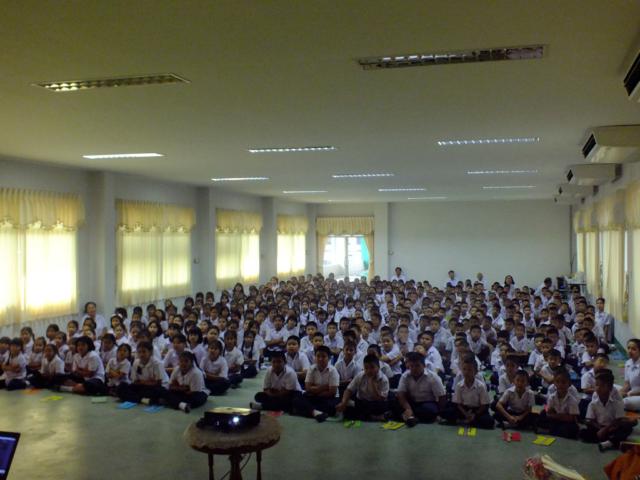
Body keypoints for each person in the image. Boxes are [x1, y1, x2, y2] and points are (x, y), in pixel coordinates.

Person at [580, 369, 637, 451]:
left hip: (612, 427)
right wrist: (600, 429)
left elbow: (618, 420)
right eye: (596, 385)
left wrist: (606, 429)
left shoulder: (617, 400)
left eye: (602, 386)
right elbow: (590, 420)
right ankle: (613, 441)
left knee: (627, 428)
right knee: (582, 432)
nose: (598, 388)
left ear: (610, 388)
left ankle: (609, 442)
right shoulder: (594, 402)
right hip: (598, 426)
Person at [393, 351, 446, 426]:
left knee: (431, 411)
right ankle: (412, 417)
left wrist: (439, 412)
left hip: (427, 403)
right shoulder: (405, 376)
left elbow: (442, 396)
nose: (414, 368)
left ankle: (410, 417)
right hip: (411, 403)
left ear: (424, 366)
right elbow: (401, 394)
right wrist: (408, 408)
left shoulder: (433, 377)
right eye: (411, 366)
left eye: (417, 366)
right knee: (394, 403)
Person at [442, 354, 494, 429]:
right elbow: (458, 404)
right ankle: (467, 420)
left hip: (477, 409)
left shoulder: (480, 386)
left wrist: (475, 414)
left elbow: (484, 405)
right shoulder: (459, 385)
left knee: (489, 421)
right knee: (447, 412)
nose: (466, 372)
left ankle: (471, 420)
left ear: (475, 372)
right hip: (463, 409)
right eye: (464, 369)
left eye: (469, 370)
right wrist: (466, 414)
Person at [292, 346, 339, 422]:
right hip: (314, 396)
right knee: (296, 399)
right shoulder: (311, 368)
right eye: (318, 356)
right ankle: (315, 412)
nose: (320, 359)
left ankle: (309, 411)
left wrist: (315, 390)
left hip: (328, 398)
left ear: (329, 358)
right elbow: (307, 388)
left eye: (323, 356)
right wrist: (324, 387)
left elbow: (332, 392)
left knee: (331, 407)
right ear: (315, 357)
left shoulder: (333, 371)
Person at [336, 354, 390, 421]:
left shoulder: (384, 379)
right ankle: (374, 417)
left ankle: (370, 416)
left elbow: (380, 399)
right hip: (361, 402)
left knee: (384, 405)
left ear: (378, 367)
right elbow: (349, 390)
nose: (369, 370)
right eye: (366, 368)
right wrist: (343, 403)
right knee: (346, 406)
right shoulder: (360, 375)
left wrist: (372, 383)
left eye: (372, 367)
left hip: (376, 404)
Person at [537, 370, 580, 439]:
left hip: (567, 422)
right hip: (555, 419)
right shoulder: (552, 396)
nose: (560, 385)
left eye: (563, 382)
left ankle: (551, 431)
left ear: (569, 384)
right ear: (554, 383)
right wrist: (553, 414)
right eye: (557, 382)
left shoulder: (572, 400)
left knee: (571, 428)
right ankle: (552, 430)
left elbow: (571, 418)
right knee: (542, 414)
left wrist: (555, 415)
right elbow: (548, 411)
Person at [621, 339, 640, 411]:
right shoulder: (628, 363)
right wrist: (620, 392)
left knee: (624, 402)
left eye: (633, 349)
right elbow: (627, 384)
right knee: (612, 389)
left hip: (637, 395)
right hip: (631, 392)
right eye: (628, 348)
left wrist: (629, 394)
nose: (630, 351)